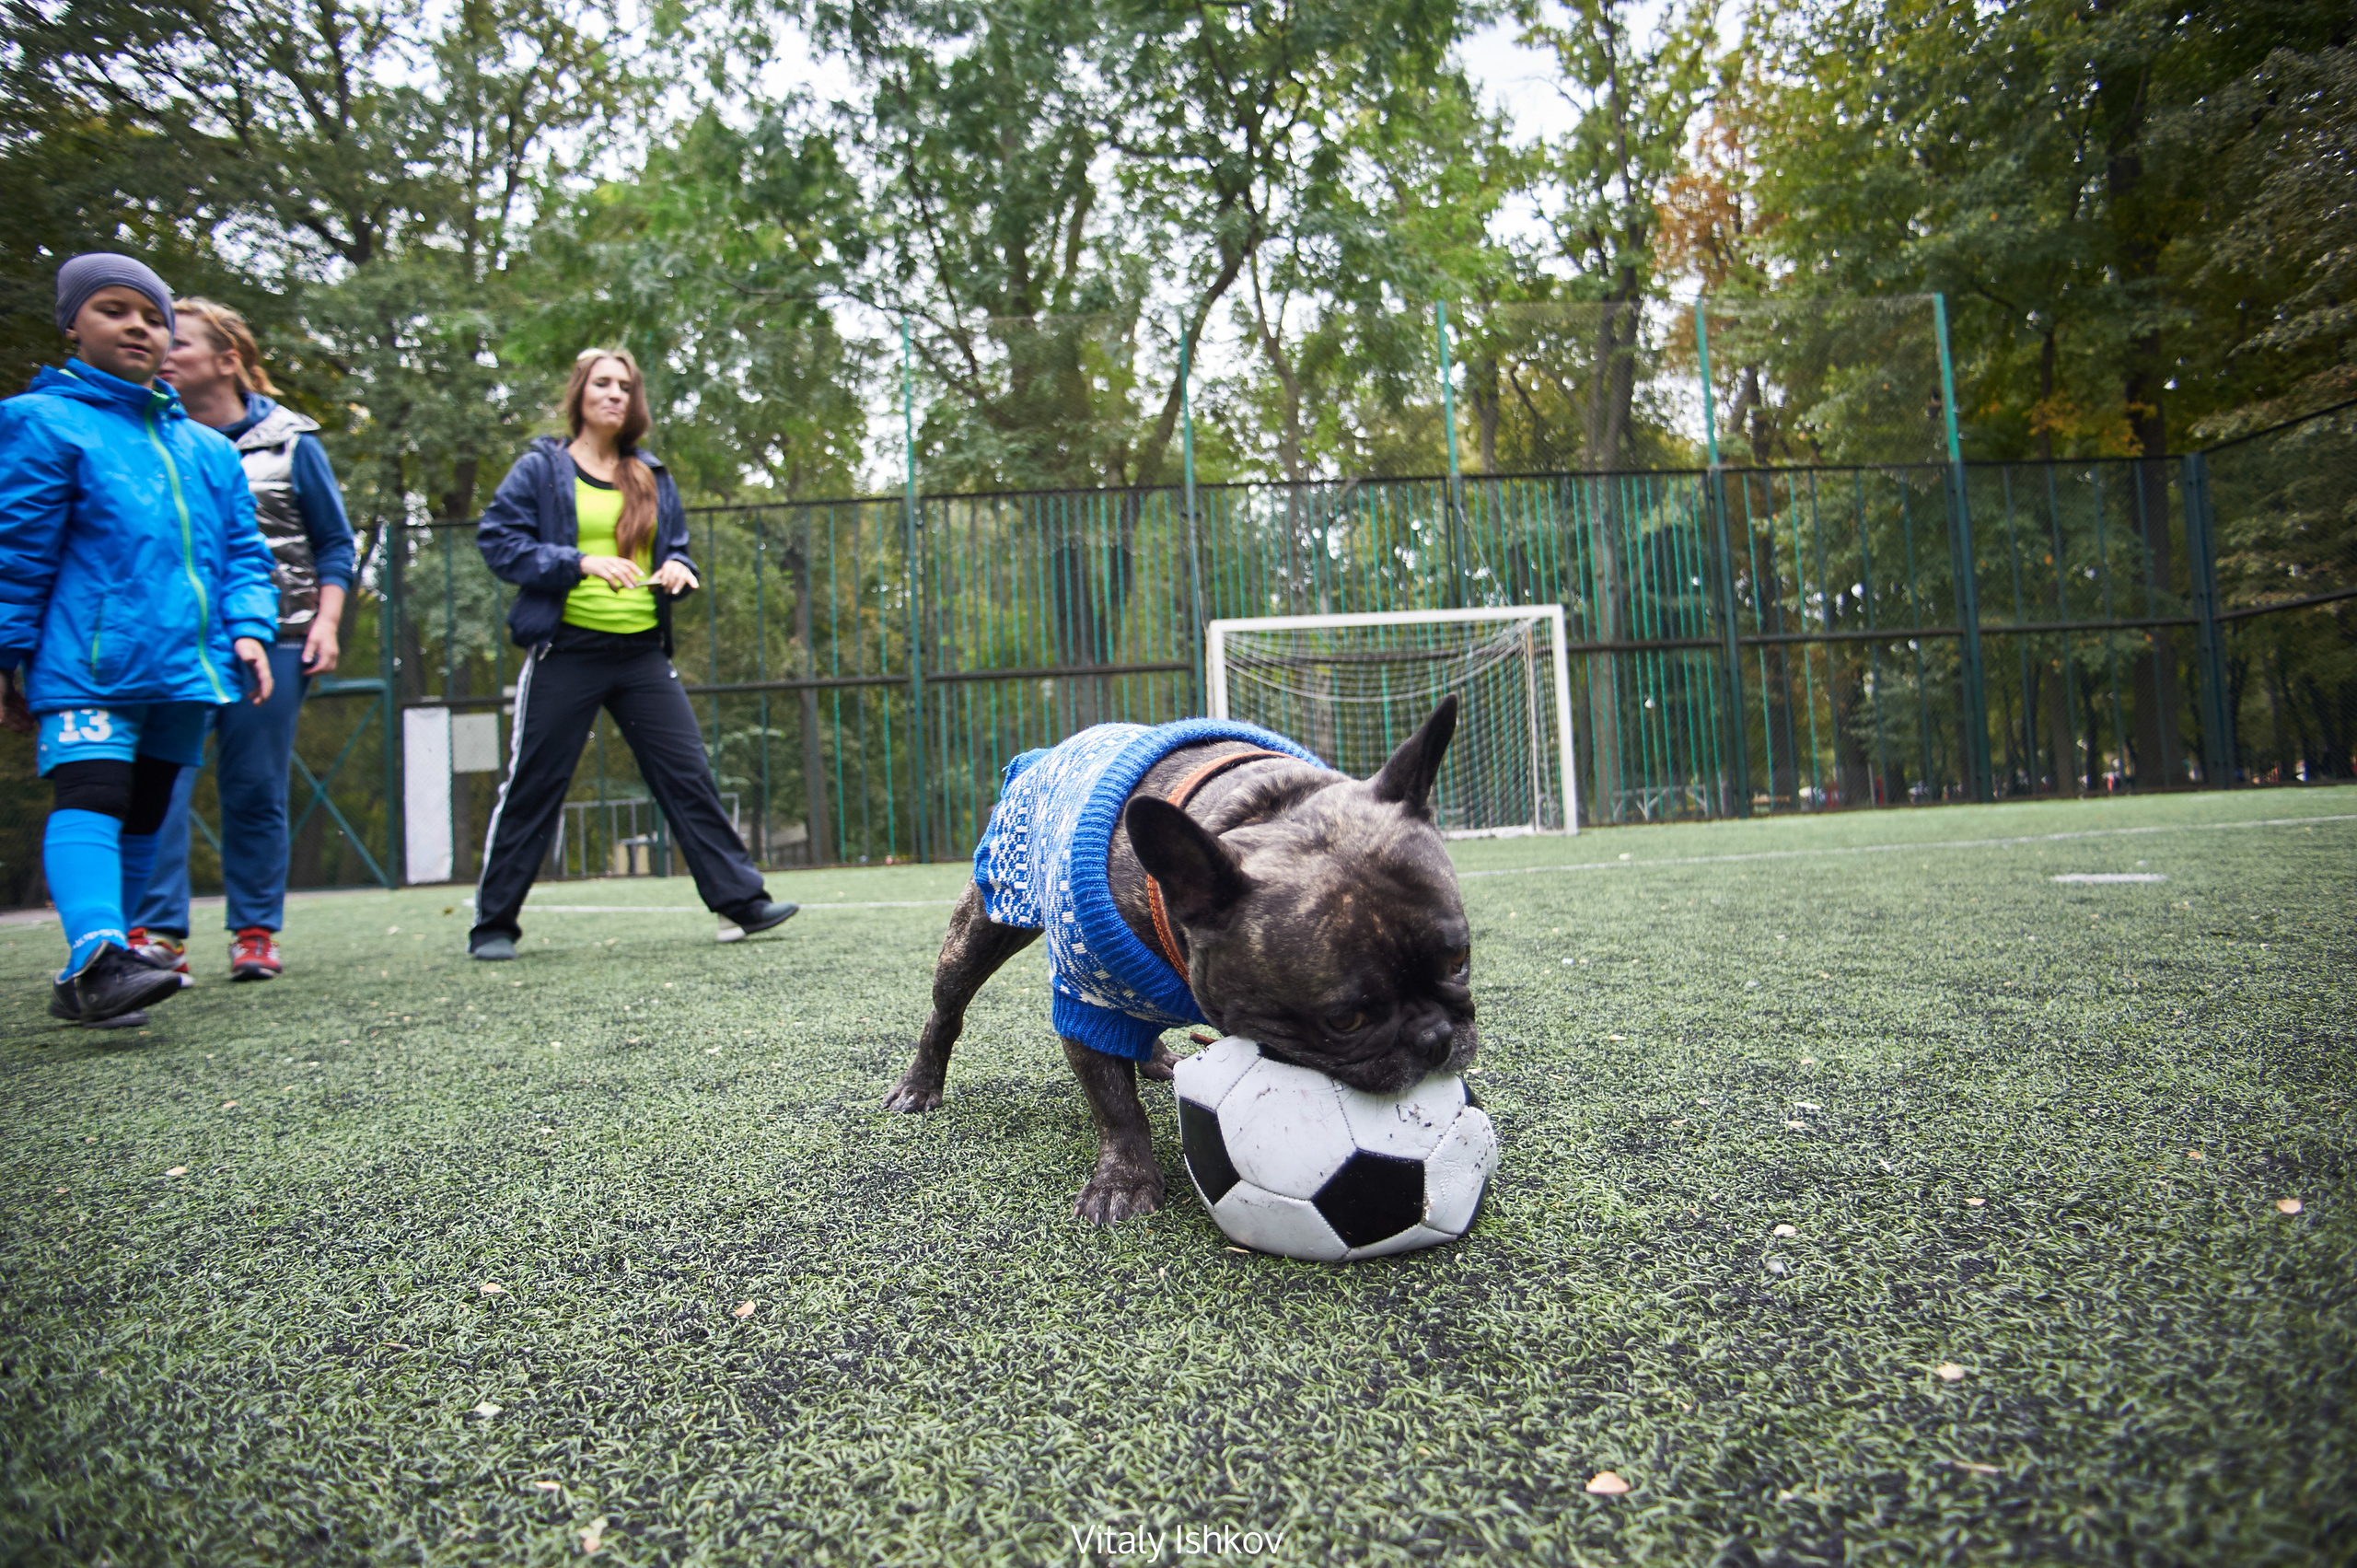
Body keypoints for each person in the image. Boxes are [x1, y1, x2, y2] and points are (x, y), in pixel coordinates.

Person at [0, 254, 280, 1027]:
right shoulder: (41, 422)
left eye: (154, 316)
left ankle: (105, 964)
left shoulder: (211, 451)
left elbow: (245, 558)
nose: (138, 326)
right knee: (93, 796)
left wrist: (250, 632)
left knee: (147, 811)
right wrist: (5, 655)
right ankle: (96, 950)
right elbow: (16, 551)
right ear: (71, 326)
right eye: (114, 309)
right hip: (90, 665)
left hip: (185, 669)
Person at [468, 348, 797, 959]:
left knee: (688, 774)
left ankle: (741, 904)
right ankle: (493, 924)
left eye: (625, 385)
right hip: (564, 650)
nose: (614, 393)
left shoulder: (651, 473)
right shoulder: (541, 470)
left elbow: (678, 549)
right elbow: (498, 541)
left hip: (641, 654)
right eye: (602, 383)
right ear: (580, 394)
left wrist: (678, 568)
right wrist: (580, 561)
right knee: (535, 783)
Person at [127, 299, 357, 982]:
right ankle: (158, 934)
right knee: (159, 784)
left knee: (255, 785)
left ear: (228, 360)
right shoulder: (146, 435)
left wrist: (325, 620)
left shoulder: (291, 441)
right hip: (174, 640)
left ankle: (254, 930)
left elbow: (335, 543)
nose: (164, 350)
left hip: (279, 635)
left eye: (182, 341)